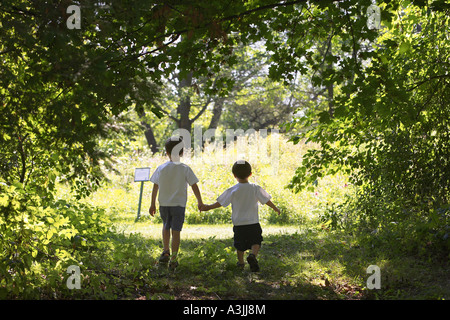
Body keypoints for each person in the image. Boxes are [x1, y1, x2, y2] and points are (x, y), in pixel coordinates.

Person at [200, 160, 280, 272]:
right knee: (256, 241)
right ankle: (252, 255)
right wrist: (275, 208)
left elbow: (221, 203)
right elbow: (266, 200)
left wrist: (208, 207)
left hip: (239, 224)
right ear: (250, 174)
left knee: (240, 245)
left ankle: (241, 263)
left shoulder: (233, 190)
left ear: (234, 175)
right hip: (253, 222)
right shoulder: (255, 188)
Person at [149, 136, 203, 270]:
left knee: (166, 226)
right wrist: (200, 201)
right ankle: (174, 258)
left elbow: (155, 186)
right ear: (182, 152)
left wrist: (152, 204)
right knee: (176, 230)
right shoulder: (185, 168)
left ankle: (165, 250)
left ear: (166, 152)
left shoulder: (161, 168)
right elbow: (194, 185)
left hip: (164, 204)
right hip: (178, 204)